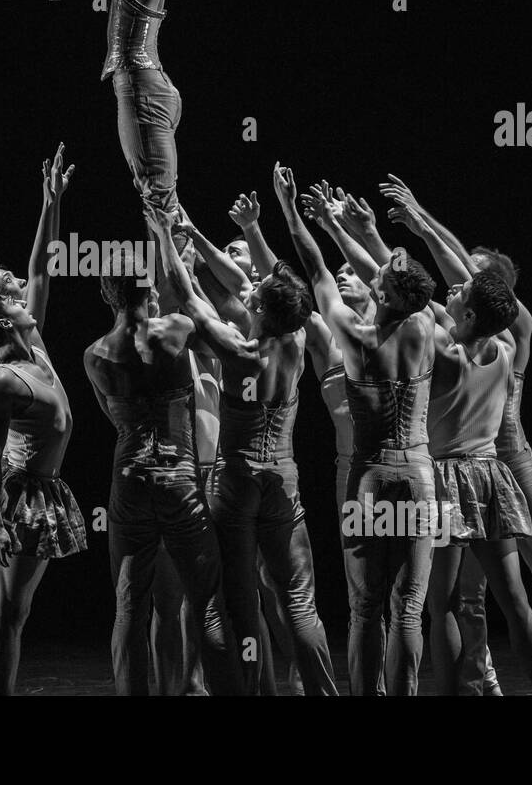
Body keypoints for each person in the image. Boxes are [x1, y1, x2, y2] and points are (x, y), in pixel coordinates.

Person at [380, 174, 532, 696]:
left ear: (496, 292)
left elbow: (437, 285)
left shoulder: (516, 326)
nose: (458, 275)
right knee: (467, 597)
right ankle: (484, 684)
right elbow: (438, 289)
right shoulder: (469, 334)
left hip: (510, 464)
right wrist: (416, 224)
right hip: (471, 465)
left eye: (471, 276)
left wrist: (419, 219)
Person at [150, 185, 341, 696]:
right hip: (283, 476)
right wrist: (223, 229)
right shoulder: (298, 338)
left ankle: (252, 690)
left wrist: (167, 236)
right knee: (299, 600)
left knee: (239, 601)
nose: (249, 289)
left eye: (254, 292)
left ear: (261, 307)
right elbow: (284, 281)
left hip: (235, 480)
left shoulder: (241, 353)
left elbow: (188, 295)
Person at [288, 169, 437, 695]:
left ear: (388, 293)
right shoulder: (422, 328)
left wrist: (301, 215)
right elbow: (387, 274)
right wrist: (336, 224)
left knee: (365, 608)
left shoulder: (354, 336)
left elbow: (316, 271)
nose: (371, 275)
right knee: (409, 609)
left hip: (370, 479)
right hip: (419, 475)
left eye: (379, 279)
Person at [0, 146, 86, 695]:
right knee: (10, 611)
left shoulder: (31, 341)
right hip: (17, 494)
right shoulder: (4, 373)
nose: (25, 291)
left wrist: (50, 202)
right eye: (11, 290)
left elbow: (39, 266)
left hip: (35, 487)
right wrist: (1, 517)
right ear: (1, 309)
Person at [84, 247, 244, 695]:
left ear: (108, 295)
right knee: (208, 603)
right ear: (150, 290)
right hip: (179, 478)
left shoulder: (93, 354)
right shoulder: (177, 329)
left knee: (129, 607)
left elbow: (114, 418)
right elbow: (216, 333)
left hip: (129, 476)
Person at [99, 0, 191, 244]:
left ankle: (180, 299)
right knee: (159, 202)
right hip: (143, 88)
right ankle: (185, 295)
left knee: (159, 205)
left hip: (142, 90)